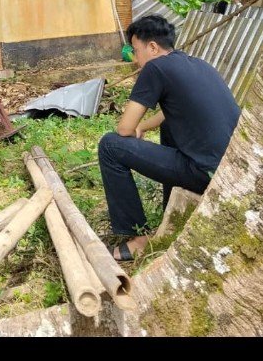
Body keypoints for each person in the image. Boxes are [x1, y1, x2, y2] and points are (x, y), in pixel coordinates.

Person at [98, 15, 240, 262]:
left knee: (110, 145)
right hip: (231, 171)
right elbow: (172, 111)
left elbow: (123, 130)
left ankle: (138, 239)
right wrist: (143, 126)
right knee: (170, 127)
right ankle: (169, 217)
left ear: (152, 47)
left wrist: (133, 130)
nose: (135, 60)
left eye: (136, 51)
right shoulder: (198, 64)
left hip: (204, 172)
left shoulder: (155, 67)